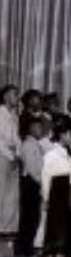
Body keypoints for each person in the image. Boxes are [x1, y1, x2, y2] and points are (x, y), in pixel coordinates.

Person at [41, 119, 71, 257]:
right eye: (69, 134)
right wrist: (46, 197)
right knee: (55, 228)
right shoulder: (51, 154)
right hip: (56, 194)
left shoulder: (68, 154)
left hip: (66, 193)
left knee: (64, 228)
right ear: (61, 135)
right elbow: (45, 177)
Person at [15, 115, 43, 257]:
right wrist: (42, 183)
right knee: (29, 218)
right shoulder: (28, 145)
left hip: (34, 184)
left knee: (32, 218)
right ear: (31, 128)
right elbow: (32, 169)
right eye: (38, 127)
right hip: (31, 184)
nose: (41, 130)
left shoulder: (34, 144)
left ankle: (26, 248)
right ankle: (24, 250)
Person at [0, 85, 20, 236]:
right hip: (2, 157)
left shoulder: (14, 116)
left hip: (13, 158)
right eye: (14, 94)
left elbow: (16, 140)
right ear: (5, 96)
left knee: (11, 195)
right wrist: (10, 155)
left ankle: (6, 229)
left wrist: (18, 155)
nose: (17, 97)